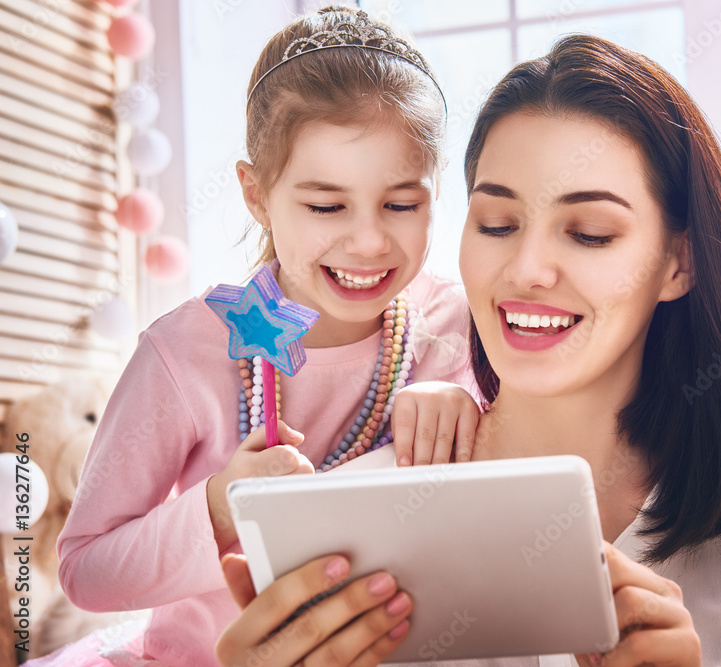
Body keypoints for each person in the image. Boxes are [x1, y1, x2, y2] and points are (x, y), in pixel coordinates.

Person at [216, 31, 721, 667]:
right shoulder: (346, 530)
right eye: (497, 224)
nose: (527, 269)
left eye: (588, 232)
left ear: (679, 262)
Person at [30, 7, 480, 666]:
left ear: (436, 191)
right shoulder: (184, 353)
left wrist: (461, 395)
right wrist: (217, 507)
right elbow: (86, 569)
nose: (368, 240)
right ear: (256, 193)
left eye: (402, 203)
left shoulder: (455, 324)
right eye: (326, 205)